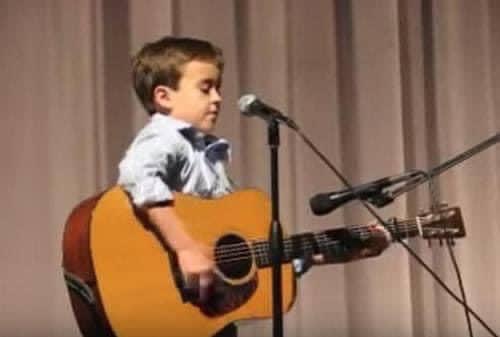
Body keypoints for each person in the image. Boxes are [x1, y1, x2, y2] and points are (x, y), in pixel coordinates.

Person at [117, 36, 391, 337]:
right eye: (205, 88)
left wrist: (349, 249)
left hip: (210, 319)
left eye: (218, 88)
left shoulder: (205, 157)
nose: (218, 98)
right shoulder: (166, 136)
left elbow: (248, 259)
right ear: (163, 97)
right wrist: (186, 248)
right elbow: (136, 174)